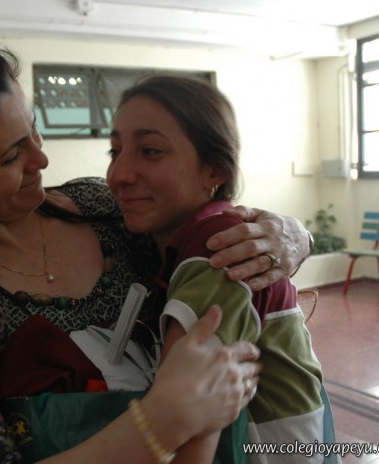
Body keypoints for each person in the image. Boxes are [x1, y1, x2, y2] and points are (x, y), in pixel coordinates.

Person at [0, 40, 313, 463]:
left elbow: (206, 231)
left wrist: (292, 236)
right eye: (11, 157)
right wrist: (158, 423)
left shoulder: (102, 208)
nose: (41, 159)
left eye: (34, 130)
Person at [107, 75, 328, 463]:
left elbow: (184, 428)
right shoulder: (179, 237)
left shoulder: (220, 246)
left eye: (150, 151)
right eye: (115, 151)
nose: (119, 174)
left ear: (214, 171)